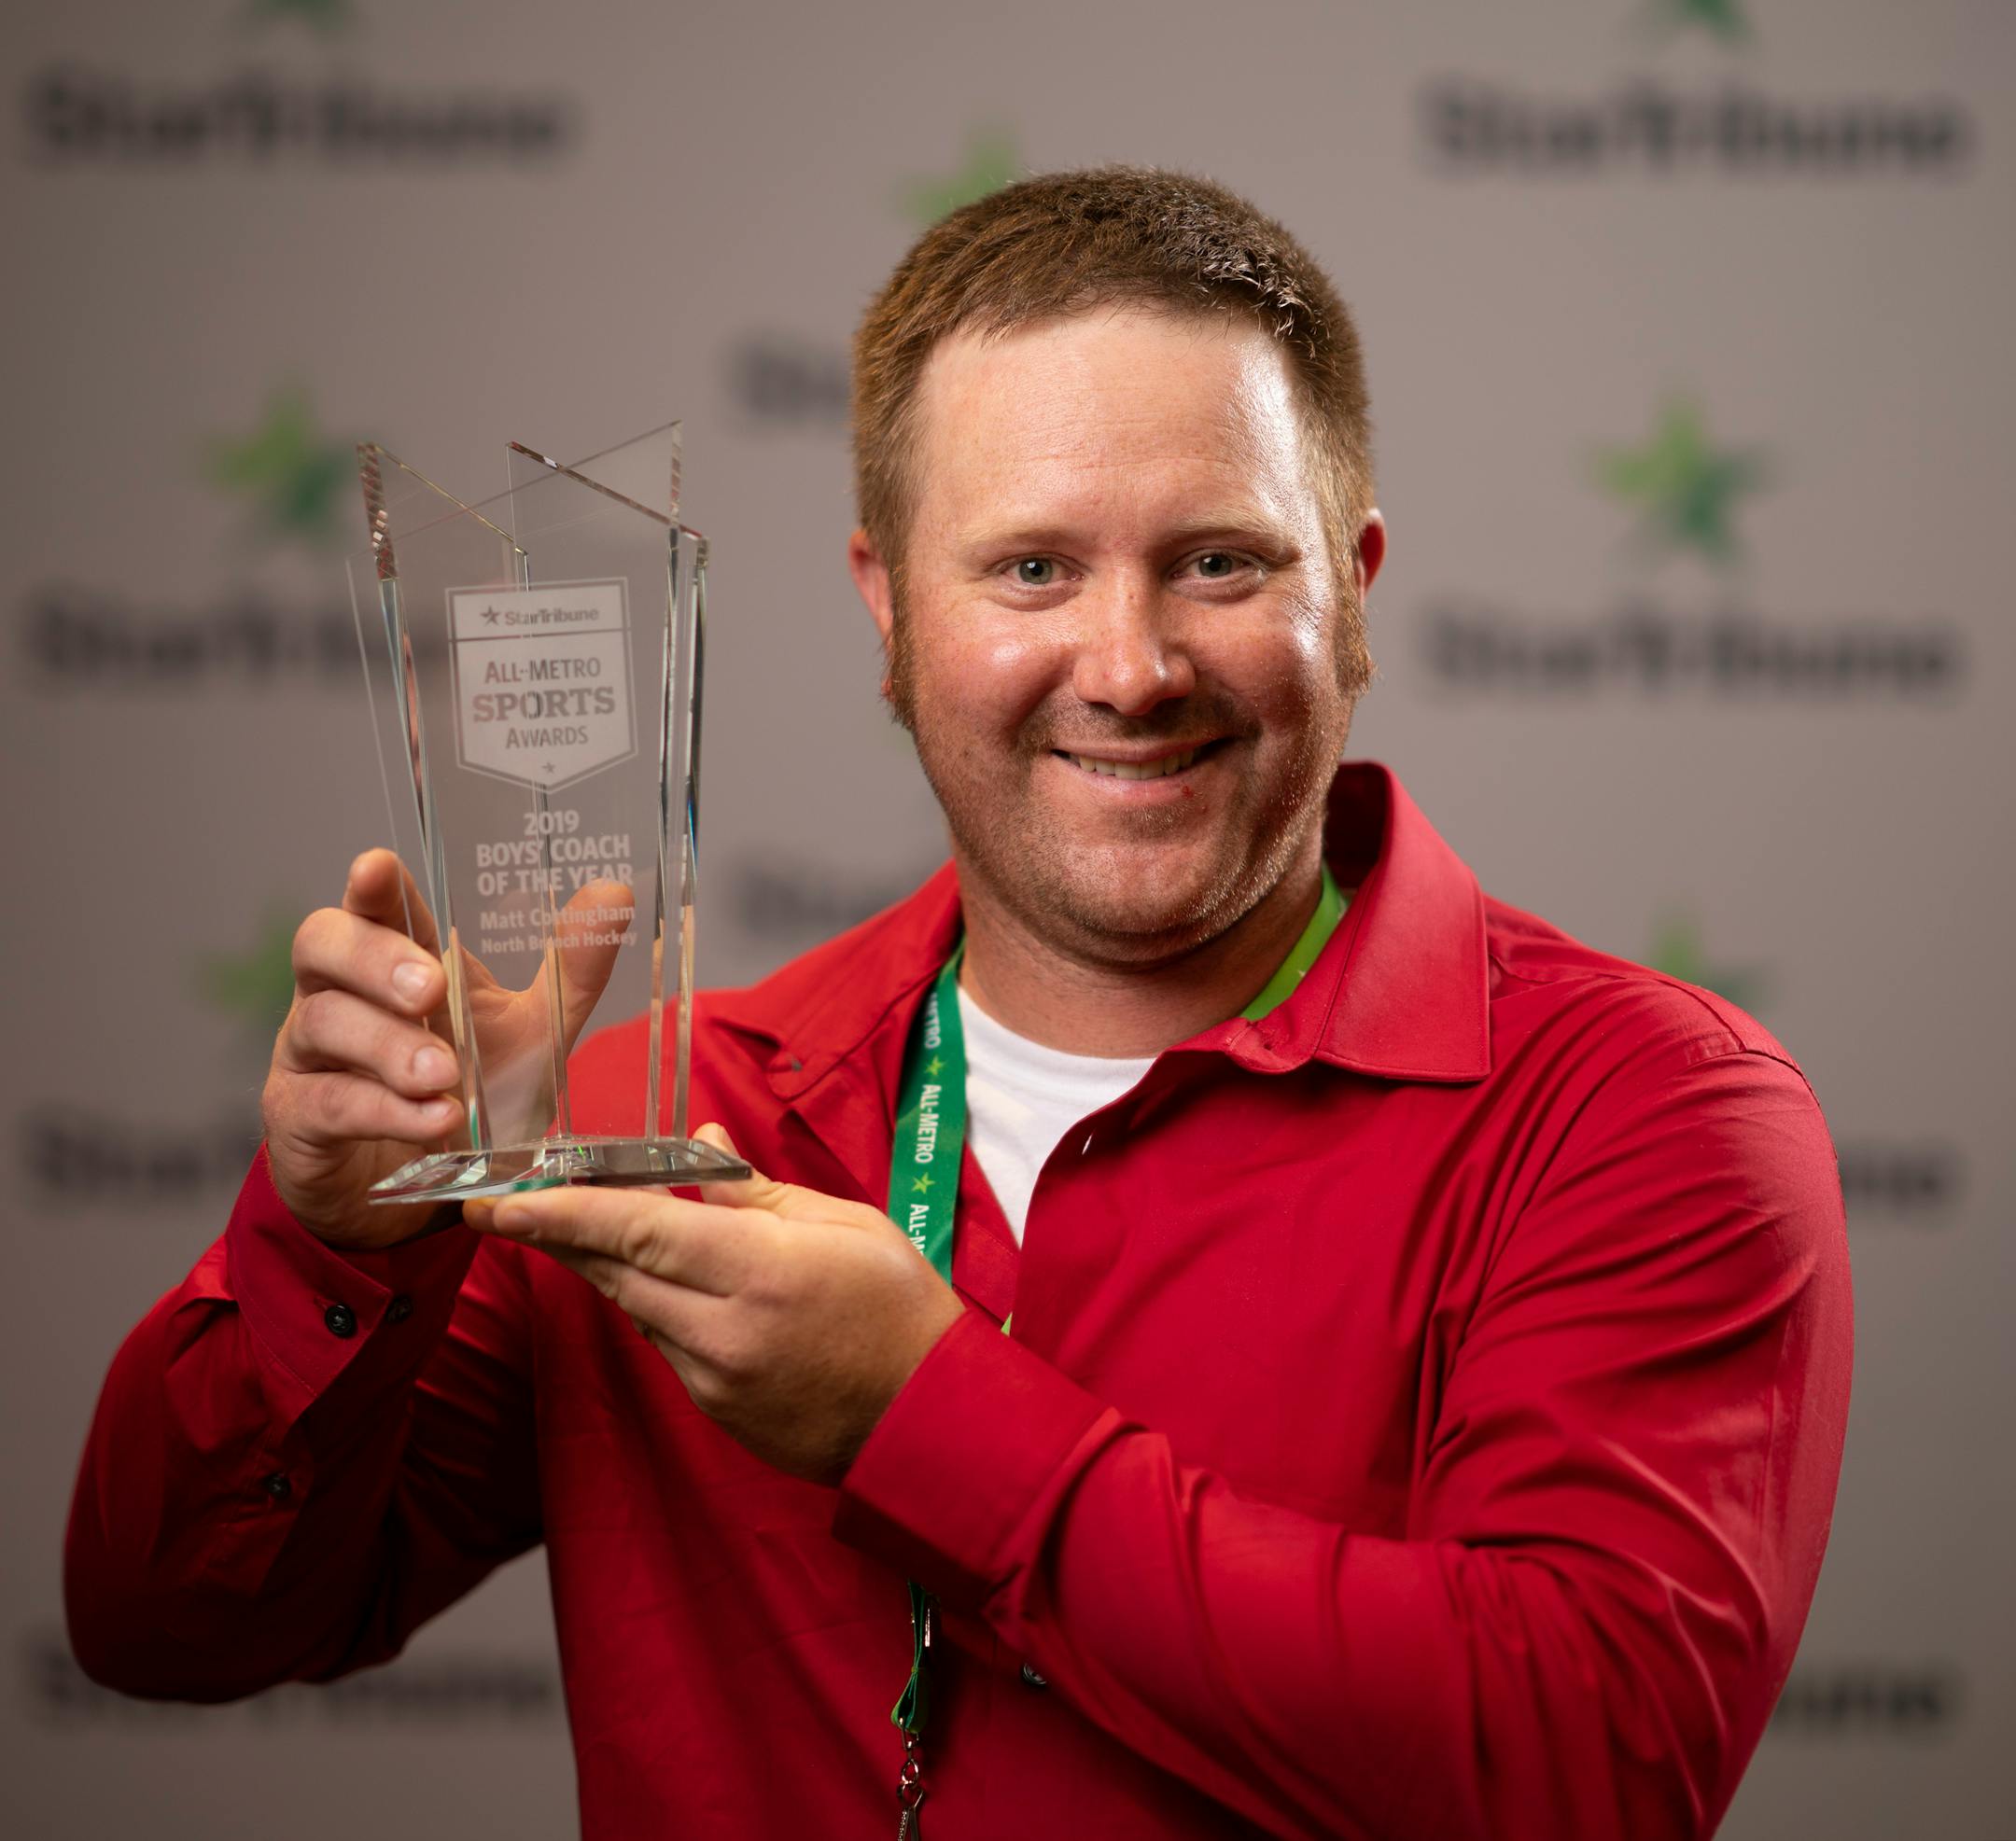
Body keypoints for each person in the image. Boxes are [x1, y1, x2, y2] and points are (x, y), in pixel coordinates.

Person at [65, 168, 1852, 1840]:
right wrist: (342, 1238)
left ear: (1354, 594)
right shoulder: (671, 1112)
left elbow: (1593, 1764)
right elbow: (172, 1622)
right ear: (889, 609)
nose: (1133, 666)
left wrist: (924, 1413)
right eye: (1031, 568)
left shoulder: (1646, 1109)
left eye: (1221, 561)